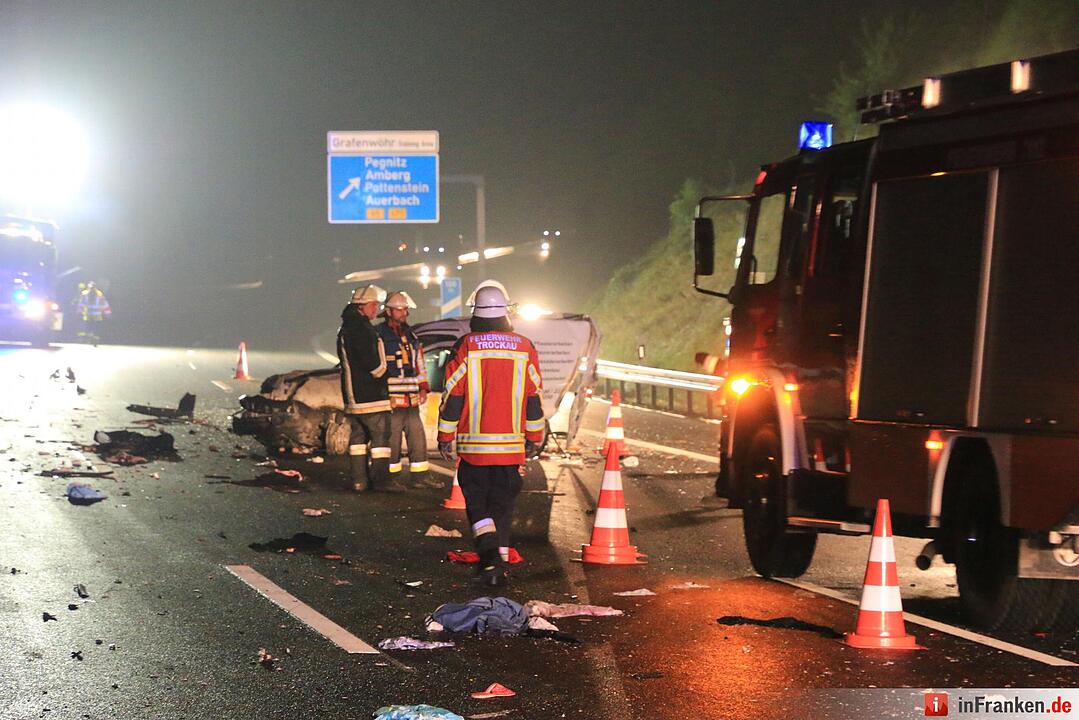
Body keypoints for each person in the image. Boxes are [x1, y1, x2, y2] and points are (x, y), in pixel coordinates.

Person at [437, 280, 545, 587]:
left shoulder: (466, 346)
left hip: (475, 449)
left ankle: (489, 559)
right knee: (503, 506)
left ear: (476, 313)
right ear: (506, 313)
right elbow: (533, 398)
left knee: (478, 506)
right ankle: (500, 564)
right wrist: (534, 438)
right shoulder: (525, 347)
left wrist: (445, 437)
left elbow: (453, 398)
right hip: (511, 449)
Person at [336, 284, 392, 492]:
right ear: (364, 306)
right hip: (371, 396)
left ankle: (359, 480)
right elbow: (373, 363)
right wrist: (384, 373)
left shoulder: (347, 327)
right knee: (380, 439)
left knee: (358, 439)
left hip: (354, 397)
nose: (376, 310)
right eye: (374, 305)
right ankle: (382, 482)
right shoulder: (362, 329)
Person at [377, 290, 431, 483]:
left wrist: (423, 386)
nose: (404, 314)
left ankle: (420, 477)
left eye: (405, 310)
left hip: (411, 399)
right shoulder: (379, 335)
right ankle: (392, 478)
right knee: (392, 440)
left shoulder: (411, 336)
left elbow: (419, 363)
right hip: (391, 400)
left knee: (418, 439)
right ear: (389, 311)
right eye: (400, 310)